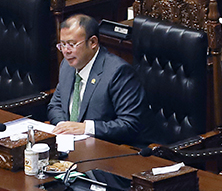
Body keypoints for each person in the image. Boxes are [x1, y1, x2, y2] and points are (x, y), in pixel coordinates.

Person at [47, 15, 147, 144]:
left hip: (107, 147)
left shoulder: (118, 72)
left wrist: (85, 128)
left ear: (93, 42)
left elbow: (130, 124)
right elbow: (55, 105)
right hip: (71, 143)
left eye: (72, 44)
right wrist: (64, 126)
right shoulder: (67, 66)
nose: (66, 51)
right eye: (62, 44)